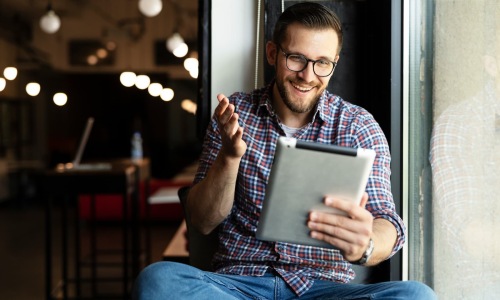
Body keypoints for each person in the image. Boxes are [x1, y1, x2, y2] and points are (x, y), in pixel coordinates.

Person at [133, 2, 436, 299]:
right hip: (239, 286)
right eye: (296, 59)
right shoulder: (236, 113)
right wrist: (229, 157)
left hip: (324, 289)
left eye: (322, 63)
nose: (308, 75)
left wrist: (366, 245)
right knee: (158, 280)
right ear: (272, 53)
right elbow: (202, 220)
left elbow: (388, 223)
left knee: (416, 295)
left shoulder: (358, 126)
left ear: (335, 62)